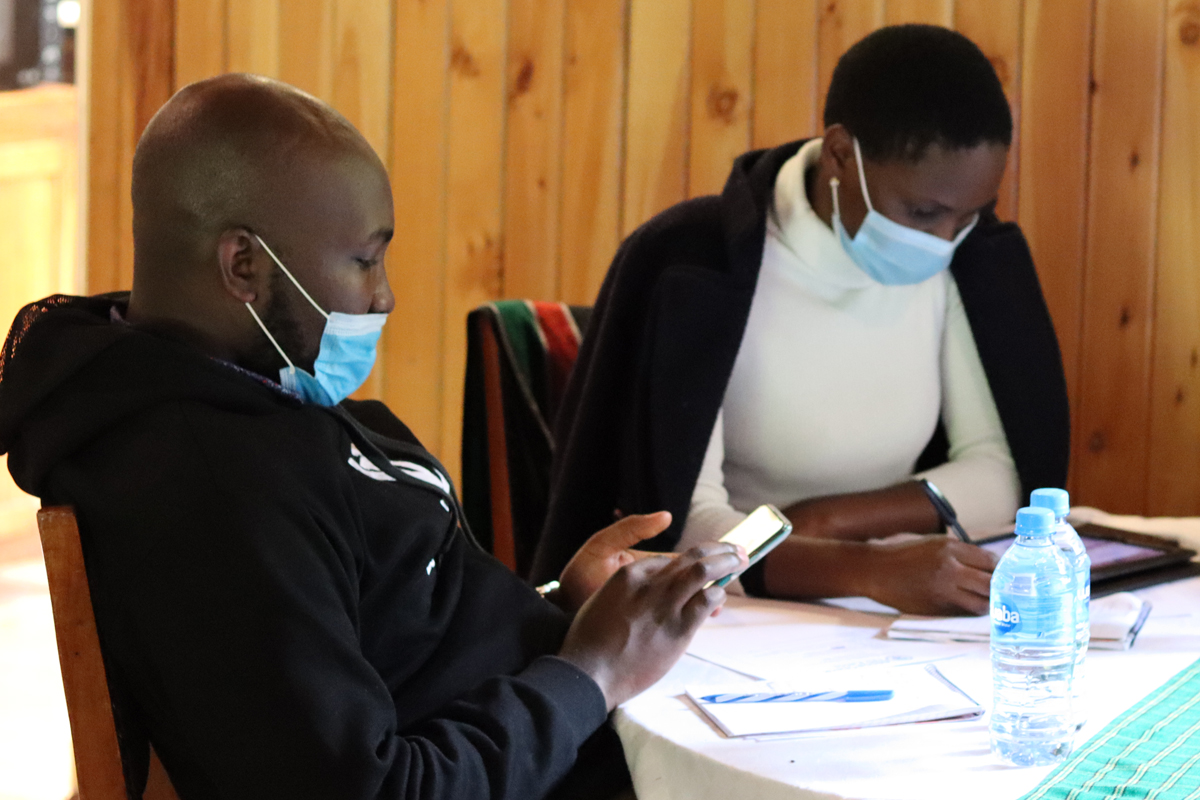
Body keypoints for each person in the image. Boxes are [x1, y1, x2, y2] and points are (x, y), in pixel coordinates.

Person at [0, 74, 746, 800]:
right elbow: (368, 785)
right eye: (364, 259)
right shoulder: (211, 486)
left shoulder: (250, 392)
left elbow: (390, 625)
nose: (383, 295)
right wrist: (592, 673)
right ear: (244, 266)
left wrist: (560, 607)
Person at [533, 25, 1069, 616]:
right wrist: (868, 567)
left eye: (972, 214)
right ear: (841, 153)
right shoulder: (691, 265)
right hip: (725, 614)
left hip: (884, 597)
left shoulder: (973, 260)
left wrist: (824, 519)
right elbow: (688, 531)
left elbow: (1003, 481)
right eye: (923, 212)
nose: (946, 242)